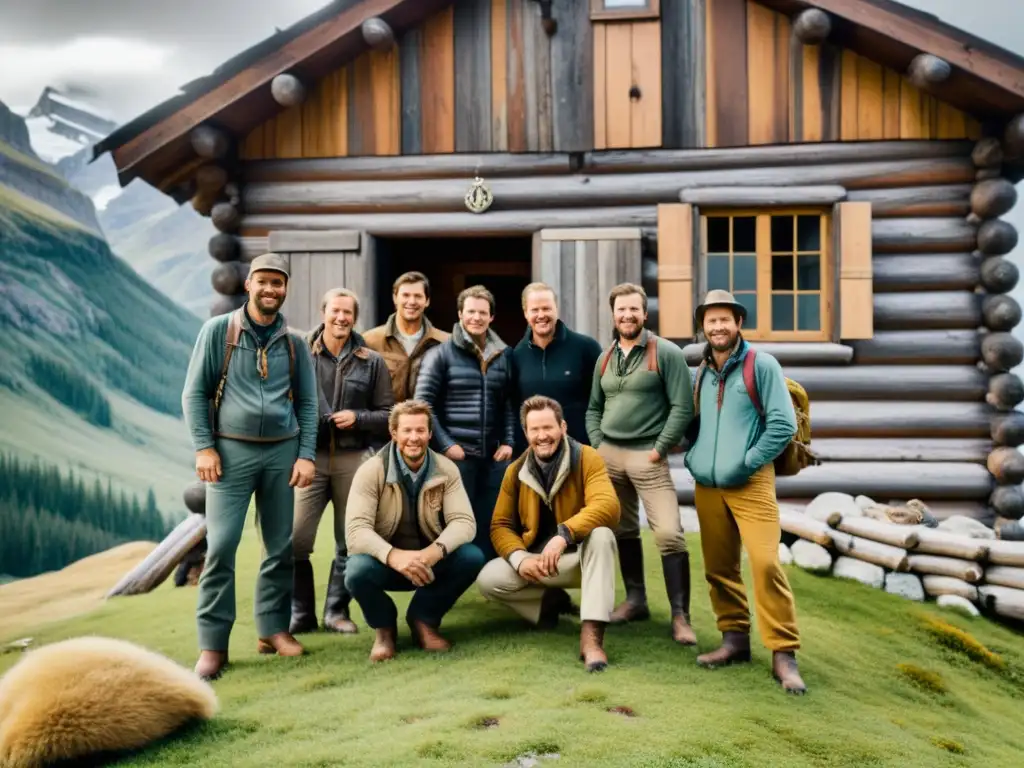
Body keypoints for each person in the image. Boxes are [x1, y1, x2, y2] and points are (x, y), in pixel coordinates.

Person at [181, 252, 318, 681]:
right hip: (230, 455)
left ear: (285, 289)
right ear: (248, 285)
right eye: (263, 281)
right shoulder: (219, 332)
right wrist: (205, 448)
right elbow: (194, 394)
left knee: (279, 546)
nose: (270, 289)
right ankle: (213, 644)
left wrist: (306, 454)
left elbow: (310, 403)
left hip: (282, 453)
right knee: (221, 546)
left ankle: (273, 630)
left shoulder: (295, 343)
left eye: (278, 283)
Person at [685, 290, 806, 694]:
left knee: (766, 563)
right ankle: (734, 640)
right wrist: (695, 458)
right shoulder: (699, 371)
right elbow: (694, 424)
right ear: (702, 325)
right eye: (710, 320)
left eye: (725, 319)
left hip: (751, 483)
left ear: (738, 323)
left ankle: (783, 653)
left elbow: (782, 425)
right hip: (708, 485)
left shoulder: (762, 365)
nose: (718, 327)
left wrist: (748, 460)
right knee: (719, 568)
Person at [584, 282, 697, 645]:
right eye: (621, 310)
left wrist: (660, 447)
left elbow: (683, 405)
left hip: (648, 455)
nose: (627, 316)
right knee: (622, 529)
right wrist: (598, 443)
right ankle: (635, 600)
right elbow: (593, 408)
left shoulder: (665, 353)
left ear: (644, 314)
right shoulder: (605, 357)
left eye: (634, 310)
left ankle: (681, 617)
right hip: (610, 456)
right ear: (613, 315)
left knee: (668, 533)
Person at [478, 396, 621, 672]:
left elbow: (608, 505)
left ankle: (591, 639)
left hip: (580, 559)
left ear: (563, 427)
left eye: (548, 428)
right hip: (539, 563)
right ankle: (548, 605)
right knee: (488, 579)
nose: (542, 436)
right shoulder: (515, 471)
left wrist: (564, 534)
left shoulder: (587, 457)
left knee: (602, 535)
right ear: (526, 433)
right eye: (535, 430)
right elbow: (500, 525)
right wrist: (520, 558)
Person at [344, 400, 486, 661]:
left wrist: (433, 553)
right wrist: (394, 556)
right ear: (394, 433)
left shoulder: (446, 469)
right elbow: (355, 531)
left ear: (430, 434)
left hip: (430, 563)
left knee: (472, 556)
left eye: (420, 431)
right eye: (407, 431)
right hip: (387, 563)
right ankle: (384, 630)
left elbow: (464, 522)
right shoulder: (371, 470)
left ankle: (424, 619)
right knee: (356, 570)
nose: (414, 438)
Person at [289, 288, 394, 636]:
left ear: (355, 317)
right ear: (324, 313)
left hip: (353, 460)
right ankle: (300, 614)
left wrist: (358, 417)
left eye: (348, 312)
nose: (341, 318)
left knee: (348, 539)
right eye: (335, 311)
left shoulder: (371, 360)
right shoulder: (299, 353)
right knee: (297, 539)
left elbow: (388, 415)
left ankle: (336, 612)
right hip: (310, 459)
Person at [413, 284, 515, 561]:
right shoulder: (440, 355)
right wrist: (447, 445)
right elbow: (423, 406)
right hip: (457, 455)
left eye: (483, 313)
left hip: (494, 456)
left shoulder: (503, 356)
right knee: (455, 519)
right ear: (460, 314)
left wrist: (508, 441)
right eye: (471, 312)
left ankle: (486, 575)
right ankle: (450, 573)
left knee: (491, 518)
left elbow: (508, 402)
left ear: (491, 317)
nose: (476, 318)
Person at [510, 282, 603, 452]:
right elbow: (514, 408)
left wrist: (598, 444)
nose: (541, 315)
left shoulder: (586, 348)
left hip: (580, 451)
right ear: (525, 313)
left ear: (556, 309)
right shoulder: (516, 355)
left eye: (546, 308)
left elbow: (603, 400)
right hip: (535, 454)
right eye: (535, 310)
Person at [363, 271, 449, 403]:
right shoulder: (370, 341)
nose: (412, 301)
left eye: (418, 296)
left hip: (428, 422)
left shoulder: (445, 343)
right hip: (385, 422)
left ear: (427, 301)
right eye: (406, 295)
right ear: (395, 298)